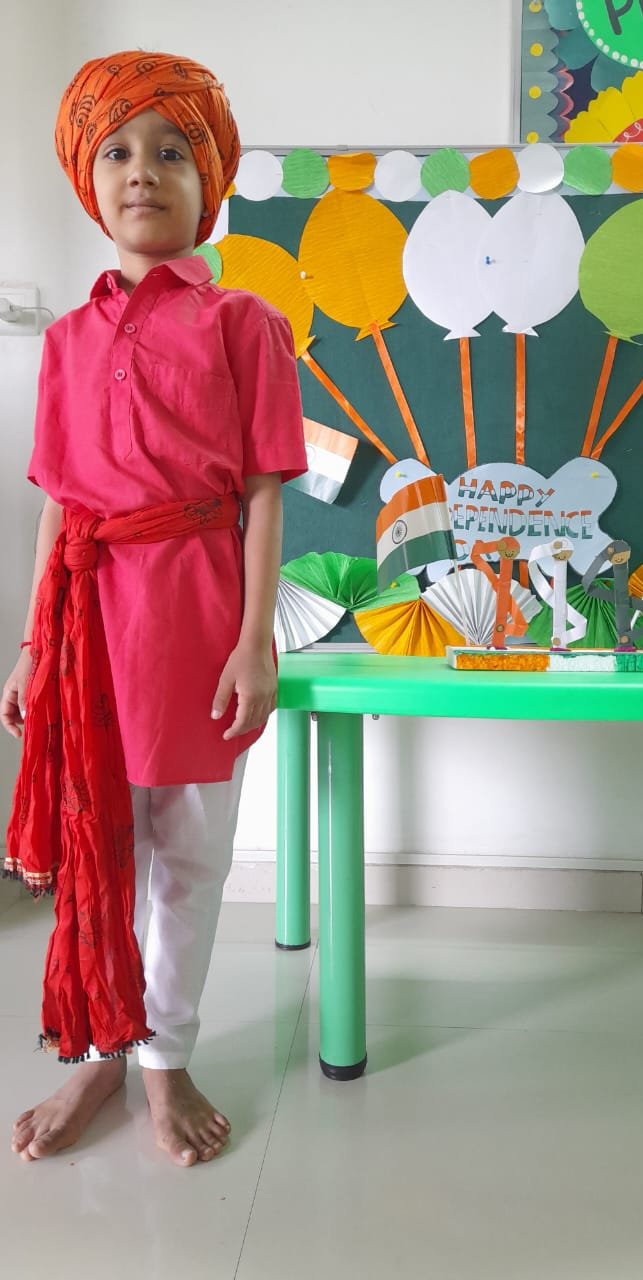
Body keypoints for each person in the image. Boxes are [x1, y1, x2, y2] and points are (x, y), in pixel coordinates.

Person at [0, 51, 307, 1167]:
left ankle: (165, 1057)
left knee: (188, 853)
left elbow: (265, 490)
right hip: (86, 626)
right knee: (99, 844)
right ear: (90, 180)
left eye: (173, 151)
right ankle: (98, 1053)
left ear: (207, 179)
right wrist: (32, 646)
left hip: (195, 622)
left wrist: (254, 643)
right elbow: (61, 502)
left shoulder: (244, 323)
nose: (144, 171)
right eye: (120, 151)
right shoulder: (67, 341)